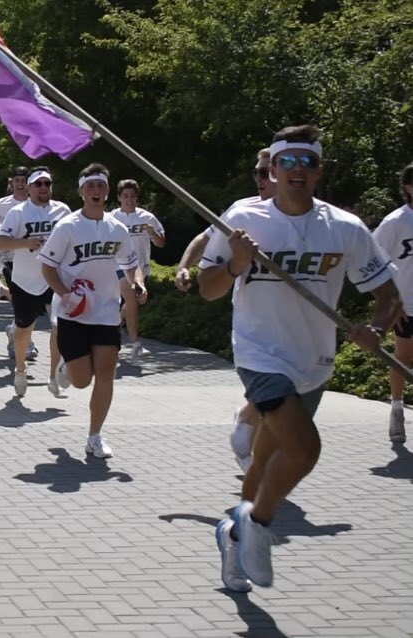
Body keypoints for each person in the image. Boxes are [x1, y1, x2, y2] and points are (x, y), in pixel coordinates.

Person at [199, 125, 400, 591]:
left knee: (265, 460)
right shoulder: (242, 220)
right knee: (305, 449)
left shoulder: (344, 227)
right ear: (271, 169)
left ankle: (233, 537)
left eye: (307, 162)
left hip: (314, 362)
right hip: (259, 355)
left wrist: (376, 328)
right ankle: (259, 526)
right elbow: (209, 290)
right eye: (287, 161)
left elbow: (388, 295)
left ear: (319, 171)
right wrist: (236, 262)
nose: (297, 170)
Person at [177, 149, 276, 472]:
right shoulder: (242, 212)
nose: (260, 179)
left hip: (300, 326)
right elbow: (205, 239)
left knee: (284, 393)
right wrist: (183, 266)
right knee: (276, 393)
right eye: (257, 173)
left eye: (266, 173)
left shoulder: (312, 217)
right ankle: (255, 462)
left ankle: (247, 418)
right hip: (255, 323)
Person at [39, 164, 139, 454]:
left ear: (107, 191)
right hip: (74, 312)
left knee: (106, 375)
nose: (96, 191)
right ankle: (66, 367)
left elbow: (130, 265)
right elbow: (47, 267)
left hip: (106, 312)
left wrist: (138, 284)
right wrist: (65, 294)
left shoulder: (117, 229)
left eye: (100, 185)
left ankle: (95, 436)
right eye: (90, 186)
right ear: (81, 191)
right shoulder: (67, 226)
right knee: (82, 381)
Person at [0, 167, 71, 397]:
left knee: (60, 326)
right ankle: (20, 369)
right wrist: (25, 243)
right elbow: (0, 242)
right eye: (38, 184)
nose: (43, 188)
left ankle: (54, 376)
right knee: (24, 329)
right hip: (25, 280)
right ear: (29, 188)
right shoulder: (18, 212)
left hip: (55, 278)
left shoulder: (63, 210)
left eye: (47, 183)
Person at [372, 161, 413, 443]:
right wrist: (388, 301)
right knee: (403, 358)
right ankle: (397, 410)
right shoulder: (396, 222)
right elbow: (371, 259)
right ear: (409, 188)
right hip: (406, 304)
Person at [0, 166, 39, 360]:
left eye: (24, 181)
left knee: (32, 302)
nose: (20, 184)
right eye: (17, 181)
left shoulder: (37, 204)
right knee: (22, 300)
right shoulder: (1, 205)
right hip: (7, 258)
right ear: (11, 183)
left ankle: (13, 329)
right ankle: (25, 343)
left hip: (32, 259)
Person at [109, 179, 165, 359]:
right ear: (119, 198)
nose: (129, 200)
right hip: (118, 266)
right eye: (125, 196)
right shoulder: (111, 218)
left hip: (141, 268)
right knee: (133, 299)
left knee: (132, 302)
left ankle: (115, 324)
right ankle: (136, 344)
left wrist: (152, 233)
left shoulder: (147, 217)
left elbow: (161, 242)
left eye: (132, 196)